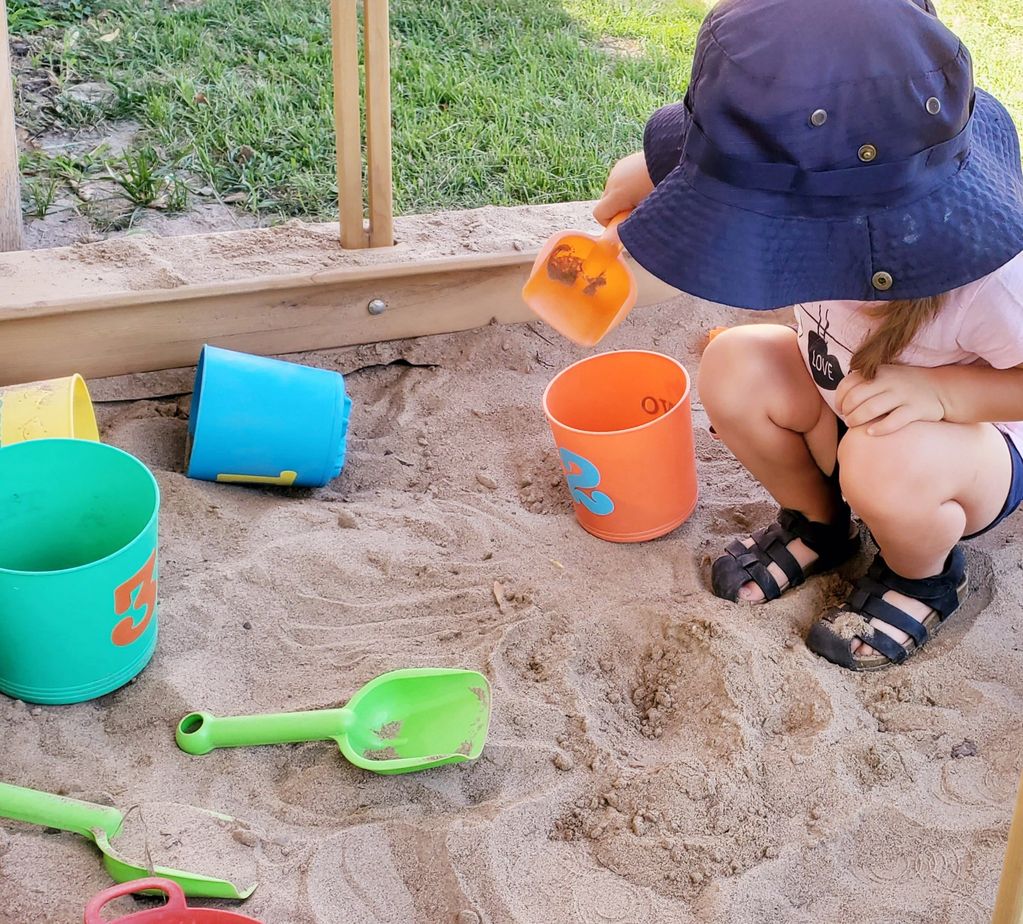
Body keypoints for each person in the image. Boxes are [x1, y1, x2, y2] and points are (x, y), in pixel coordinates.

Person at [593, 0, 1023, 670]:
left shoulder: (986, 277)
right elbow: (737, 164)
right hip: (838, 404)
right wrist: (651, 176)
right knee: (733, 366)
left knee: (885, 464)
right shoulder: (791, 175)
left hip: (956, 455)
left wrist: (942, 395)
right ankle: (821, 524)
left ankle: (921, 575)